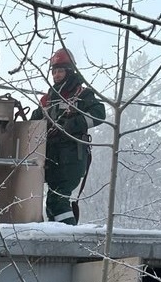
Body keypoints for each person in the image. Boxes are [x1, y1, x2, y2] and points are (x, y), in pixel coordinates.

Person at [30, 48, 106, 225]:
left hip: (72, 157)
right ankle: (57, 236)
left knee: (58, 201)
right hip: (52, 159)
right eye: (54, 71)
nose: (56, 75)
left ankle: (69, 236)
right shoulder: (47, 100)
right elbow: (33, 123)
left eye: (60, 71)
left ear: (70, 71)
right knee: (51, 203)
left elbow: (98, 114)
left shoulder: (82, 94)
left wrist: (72, 124)